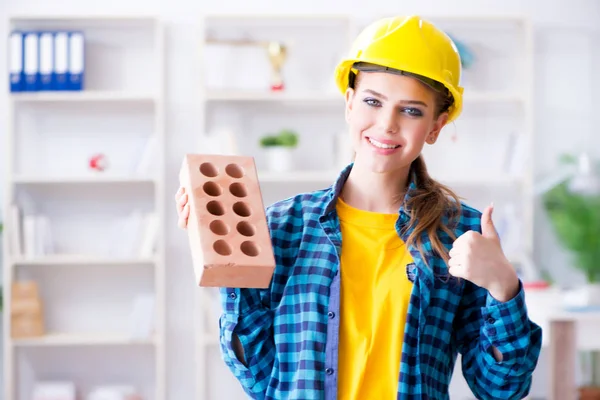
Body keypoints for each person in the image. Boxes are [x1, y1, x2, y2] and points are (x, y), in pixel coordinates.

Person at [175, 15, 542, 400]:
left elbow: (502, 389)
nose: (387, 124)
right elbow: (261, 379)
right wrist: (225, 255)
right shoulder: (284, 228)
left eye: (412, 110)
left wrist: (503, 286)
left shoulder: (459, 237)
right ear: (349, 104)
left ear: (436, 125)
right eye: (372, 101)